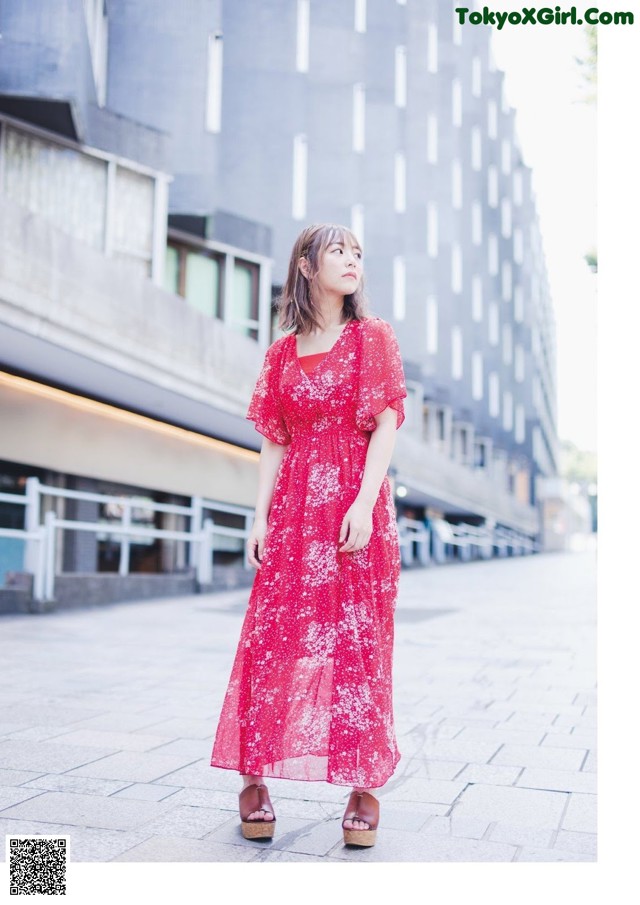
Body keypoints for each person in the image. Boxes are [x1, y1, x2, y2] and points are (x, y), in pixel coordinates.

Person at [210, 223, 407, 848]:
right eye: (338, 251)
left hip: (354, 508)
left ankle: (364, 788)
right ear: (305, 264)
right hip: (295, 512)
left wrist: (363, 500)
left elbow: (386, 425)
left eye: (358, 252)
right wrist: (260, 516)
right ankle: (254, 777)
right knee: (271, 641)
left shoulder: (372, 339)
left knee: (358, 641)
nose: (352, 261)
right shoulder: (280, 352)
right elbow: (274, 439)